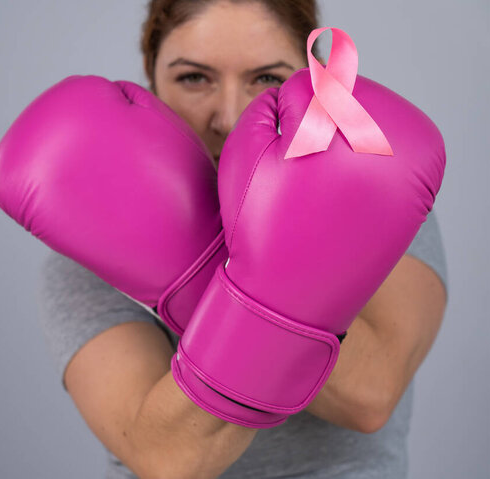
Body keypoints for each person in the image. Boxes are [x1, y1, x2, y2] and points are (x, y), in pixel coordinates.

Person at [37, 0, 448, 477]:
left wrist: (227, 269)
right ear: (150, 84)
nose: (229, 117)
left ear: (315, 83)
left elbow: (369, 396)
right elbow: (170, 458)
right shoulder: (87, 253)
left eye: (267, 78)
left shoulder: (382, 204)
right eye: (194, 78)